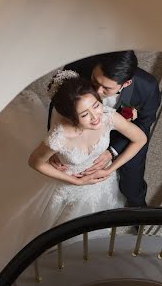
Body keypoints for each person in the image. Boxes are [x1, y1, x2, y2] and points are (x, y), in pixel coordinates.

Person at [28, 70, 147, 228]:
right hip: (68, 188)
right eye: (84, 114)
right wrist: (75, 181)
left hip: (101, 181)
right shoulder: (59, 136)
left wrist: (110, 169)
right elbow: (35, 162)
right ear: (71, 117)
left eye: (96, 105)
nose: (95, 116)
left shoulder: (107, 116)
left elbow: (140, 139)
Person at [48, 51, 161, 207]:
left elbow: (143, 124)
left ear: (126, 83)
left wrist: (112, 151)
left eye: (106, 88)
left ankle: (139, 211)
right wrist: (55, 147)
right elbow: (58, 106)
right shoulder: (77, 67)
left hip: (125, 132)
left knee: (132, 180)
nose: (98, 92)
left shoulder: (148, 88)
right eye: (95, 81)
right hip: (81, 125)